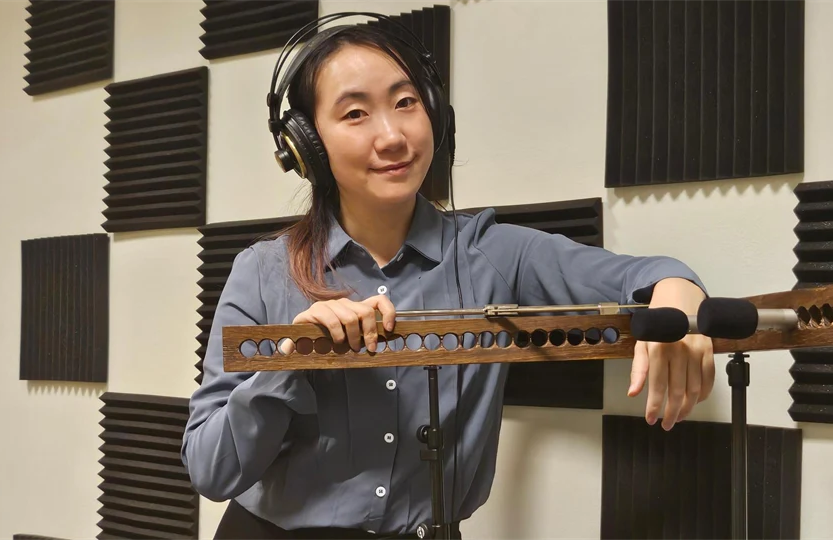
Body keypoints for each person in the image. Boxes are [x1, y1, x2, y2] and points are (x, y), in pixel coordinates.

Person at [181, 14, 715, 540]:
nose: (391, 135)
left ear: (435, 113)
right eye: (355, 114)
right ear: (307, 145)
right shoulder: (262, 270)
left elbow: (650, 276)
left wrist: (679, 302)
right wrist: (290, 362)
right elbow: (211, 469)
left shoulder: (494, 253)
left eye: (405, 102)